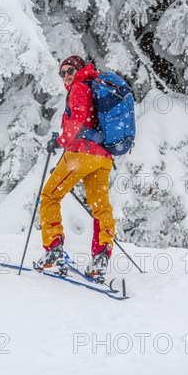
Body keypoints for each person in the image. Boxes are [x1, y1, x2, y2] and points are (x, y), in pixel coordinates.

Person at [36, 55, 115, 278]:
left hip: (81, 154)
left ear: (79, 70)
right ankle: (101, 255)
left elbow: (79, 119)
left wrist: (60, 141)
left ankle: (53, 250)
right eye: (62, 73)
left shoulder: (80, 88)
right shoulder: (95, 87)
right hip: (103, 158)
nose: (66, 76)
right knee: (101, 206)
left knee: (49, 197)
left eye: (70, 71)